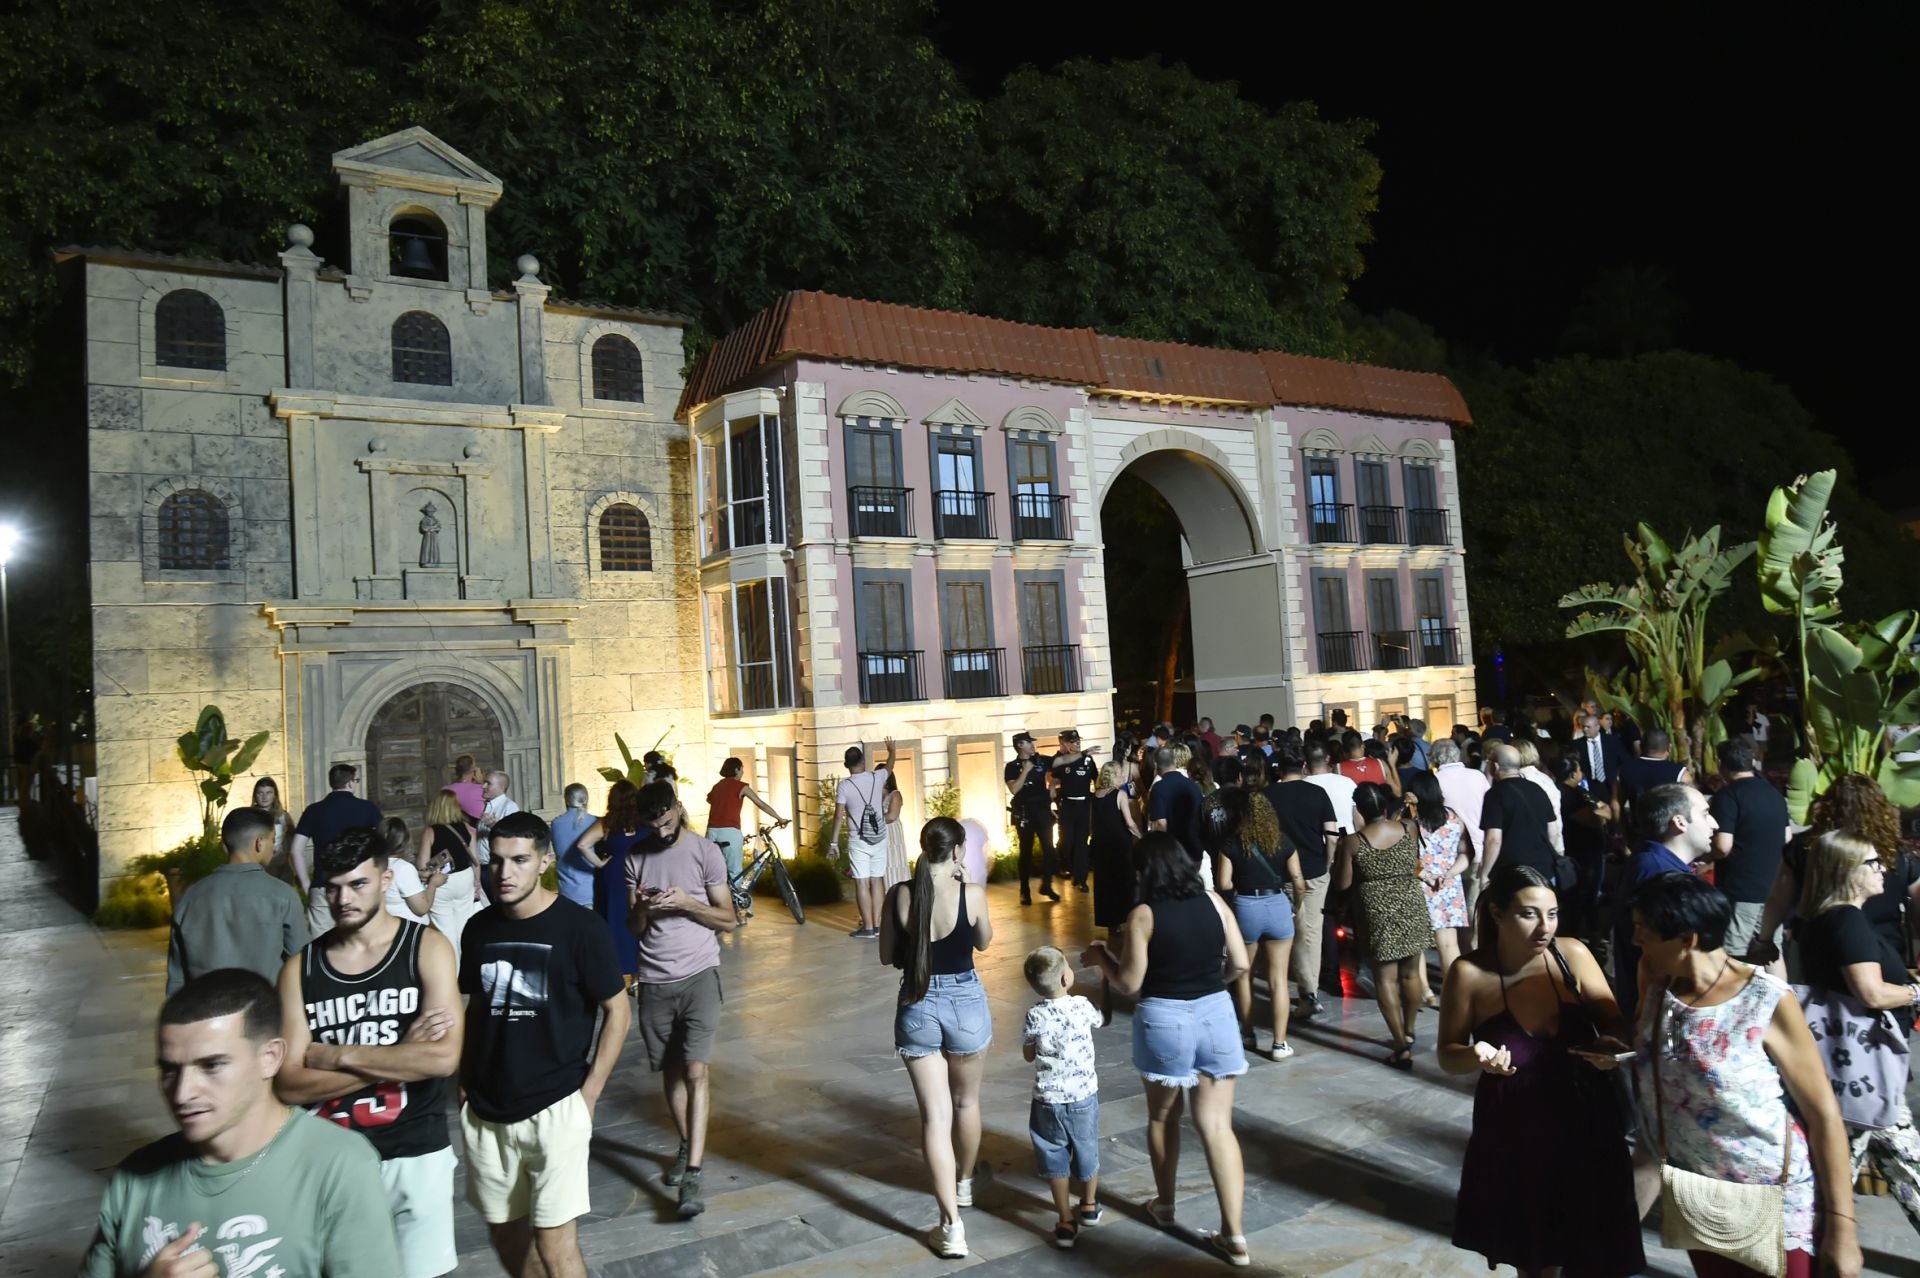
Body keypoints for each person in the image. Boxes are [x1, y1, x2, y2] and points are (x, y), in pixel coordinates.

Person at [82, 969, 402, 1277]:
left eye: (211, 1065)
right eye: (170, 1070)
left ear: (270, 1058)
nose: (182, 1093)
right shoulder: (133, 1179)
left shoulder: (339, 1167)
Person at [1631, 872, 1863, 1278]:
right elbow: (1667, 1051)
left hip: (1770, 1198)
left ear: (1687, 939)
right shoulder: (1657, 981)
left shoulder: (1765, 999)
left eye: (1644, 932)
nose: (1636, 941)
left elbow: (1824, 1114)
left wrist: (1843, 1229)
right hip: (1697, 1192)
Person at [275, 827, 463, 1278]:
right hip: (331, 1158)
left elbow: (442, 1058)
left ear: (386, 879)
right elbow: (288, 1084)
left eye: (358, 884)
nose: (344, 899)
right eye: (333, 887)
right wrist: (401, 1053)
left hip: (415, 1150)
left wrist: (337, 1055)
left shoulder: (426, 948)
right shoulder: (300, 969)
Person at [1439, 865, 1643, 1277]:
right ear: (1498, 913)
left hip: (1586, 1119)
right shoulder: (1469, 973)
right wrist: (1476, 1055)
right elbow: (1448, 1054)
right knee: (1534, 1255)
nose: (1545, 927)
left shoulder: (1572, 955)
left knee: (1594, 1245)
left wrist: (1610, 1046)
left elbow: (1614, 1023)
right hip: (1516, 1129)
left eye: (1552, 914)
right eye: (1529, 914)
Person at [459, 811, 630, 1278]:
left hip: (556, 1105)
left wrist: (589, 1093)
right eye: (496, 861)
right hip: (487, 1108)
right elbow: (475, 1007)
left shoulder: (580, 928)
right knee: (505, 1237)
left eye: (519, 860)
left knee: (556, 1245)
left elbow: (618, 1010)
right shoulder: (478, 928)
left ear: (544, 861)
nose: (505, 872)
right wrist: (464, 1081)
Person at [1081, 833, 1252, 1266]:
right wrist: (1212, 987)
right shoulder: (1214, 901)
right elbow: (1241, 963)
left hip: (1165, 1018)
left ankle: (1166, 1205)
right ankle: (1234, 1236)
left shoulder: (1143, 915)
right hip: (1215, 1013)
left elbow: (1129, 982)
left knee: (1163, 1117)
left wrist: (1100, 957)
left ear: (1144, 872)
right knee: (1218, 1127)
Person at [878, 816, 994, 1260]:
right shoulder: (972, 894)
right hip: (965, 1004)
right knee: (966, 1103)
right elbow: (984, 942)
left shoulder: (899, 894)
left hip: (917, 1004)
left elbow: (886, 955)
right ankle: (964, 1183)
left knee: (935, 1118)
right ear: (958, 850)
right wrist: (965, 882)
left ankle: (951, 1228)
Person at [1795, 830, 1920, 1230]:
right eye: (1873, 863)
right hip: (1863, 1068)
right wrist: (1915, 992)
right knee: (1891, 1166)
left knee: (1847, 1173)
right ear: (1848, 870)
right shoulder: (1847, 920)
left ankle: (1817, 1239)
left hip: (1845, 1068)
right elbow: (1871, 992)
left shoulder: (1820, 919)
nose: (1883, 869)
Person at [624, 781, 737, 1219]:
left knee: (695, 1070)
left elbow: (728, 920)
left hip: (699, 975)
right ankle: (688, 1143)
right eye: (653, 826)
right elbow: (634, 928)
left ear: (678, 807)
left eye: (667, 821)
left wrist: (689, 904)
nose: (662, 831)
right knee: (671, 1073)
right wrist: (643, 909)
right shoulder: (635, 857)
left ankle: (692, 1172)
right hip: (654, 980)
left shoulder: (706, 852)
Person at [1752, 773, 1917, 978]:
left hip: (1817, 949)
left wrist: (1764, 939)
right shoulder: (1895, 852)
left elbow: (1778, 899)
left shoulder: (1806, 847)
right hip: (1884, 950)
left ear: (1829, 807)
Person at [1334, 783, 1435, 1069]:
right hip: (1410, 902)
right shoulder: (1408, 828)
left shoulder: (1354, 842)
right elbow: (1414, 859)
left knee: (1385, 980)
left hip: (1377, 910)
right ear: (1384, 806)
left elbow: (1342, 884)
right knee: (1411, 974)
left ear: (1359, 810)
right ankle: (1410, 1030)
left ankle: (1400, 1046)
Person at [166, 807, 308, 996]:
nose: (274, 848)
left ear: (225, 846)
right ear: (259, 843)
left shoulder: (190, 897)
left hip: (206, 1008)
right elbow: (301, 963)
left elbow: (177, 978)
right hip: (264, 1008)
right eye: (273, 840)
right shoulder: (283, 895)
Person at [1209, 785, 1305, 1061]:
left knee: (1244, 975)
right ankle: (1279, 1044)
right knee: (1278, 980)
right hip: (1277, 906)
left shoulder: (1231, 844)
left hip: (1247, 907)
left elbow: (1224, 883)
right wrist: (1296, 906)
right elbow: (1298, 881)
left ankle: (1248, 1033)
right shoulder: (1283, 842)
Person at [1022, 945, 1104, 1249]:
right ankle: (1089, 1206)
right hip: (1082, 1096)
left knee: (1053, 1155)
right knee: (1087, 1146)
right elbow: (1100, 1020)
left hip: (1047, 1101)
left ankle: (1065, 1220)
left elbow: (1028, 1054)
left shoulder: (1034, 1014)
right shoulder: (1082, 1006)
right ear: (1066, 979)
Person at [1612, 783, 1714, 1016]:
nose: (1714, 824)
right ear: (1679, 822)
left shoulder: (1654, 863)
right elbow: (1665, 953)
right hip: (1662, 1009)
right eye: (1705, 814)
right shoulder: (1658, 872)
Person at [1266, 749, 1341, 1020]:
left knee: (1295, 931)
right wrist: (1328, 864)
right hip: (1316, 870)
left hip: (1282, 872)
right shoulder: (1318, 793)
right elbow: (1331, 835)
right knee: (1312, 931)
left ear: (1279, 769)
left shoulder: (1268, 795)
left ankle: (1308, 993)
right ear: (1304, 766)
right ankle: (1311, 991)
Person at [1708, 736, 1792, 959]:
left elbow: (1723, 846)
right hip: (1773, 889)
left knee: (1735, 955)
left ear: (1721, 764)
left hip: (1741, 889)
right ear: (1752, 762)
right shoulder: (1775, 794)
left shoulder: (1727, 796)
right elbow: (1787, 837)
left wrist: (1706, 856)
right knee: (1771, 952)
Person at [290, 762, 382, 936]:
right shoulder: (367, 808)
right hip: (357, 883)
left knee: (322, 944)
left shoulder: (314, 810)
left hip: (324, 884)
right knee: (359, 939)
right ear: (350, 782)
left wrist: (306, 884)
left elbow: (295, 850)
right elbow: (382, 843)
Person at [570, 779, 648, 986]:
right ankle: (640, 972)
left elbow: (583, 845)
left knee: (615, 920)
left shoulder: (607, 823)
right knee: (642, 918)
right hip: (641, 872)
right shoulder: (643, 820)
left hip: (614, 874)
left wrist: (600, 863)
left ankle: (618, 971)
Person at [1404, 769, 1469, 1007]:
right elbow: (1465, 855)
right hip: (1448, 888)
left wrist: (1426, 875)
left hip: (1419, 885)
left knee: (1418, 945)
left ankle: (1426, 992)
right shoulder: (1454, 817)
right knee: (1449, 944)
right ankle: (1456, 991)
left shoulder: (1409, 820)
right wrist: (1448, 874)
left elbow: (1404, 857)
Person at [834, 739, 897, 933]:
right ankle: (878, 925)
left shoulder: (844, 786)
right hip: (879, 837)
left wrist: (833, 842)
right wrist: (891, 750)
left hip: (858, 838)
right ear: (863, 761)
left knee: (862, 882)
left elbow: (838, 815)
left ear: (846, 765)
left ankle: (868, 927)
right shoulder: (877, 777)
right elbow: (890, 765)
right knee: (877, 880)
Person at [1476, 743, 1557, 891]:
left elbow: (1493, 839)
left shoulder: (1495, 794)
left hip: (1512, 873)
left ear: (1495, 766)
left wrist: (1485, 874)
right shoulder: (1537, 789)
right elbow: (1553, 830)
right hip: (1544, 869)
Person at [415, 789, 480, 962]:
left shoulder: (430, 832)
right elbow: (475, 860)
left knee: (446, 931)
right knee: (464, 927)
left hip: (442, 883)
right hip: (465, 879)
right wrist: (477, 883)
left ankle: (453, 970)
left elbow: (422, 865)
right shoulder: (468, 829)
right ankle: (468, 967)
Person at [703, 758, 788, 884]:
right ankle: (736, 896)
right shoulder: (741, 786)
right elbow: (761, 804)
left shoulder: (717, 786)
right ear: (736, 769)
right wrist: (779, 818)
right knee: (735, 872)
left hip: (711, 832)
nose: (742, 772)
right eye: (742, 769)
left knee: (713, 872)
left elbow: (709, 800)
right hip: (730, 832)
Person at [1005, 732, 1060, 906]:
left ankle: (1047, 885)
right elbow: (1014, 789)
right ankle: (1024, 890)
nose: (1032, 745)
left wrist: (1052, 784)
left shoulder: (1041, 760)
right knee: (1026, 852)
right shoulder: (1012, 766)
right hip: (1024, 813)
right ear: (1020, 745)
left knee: (1049, 849)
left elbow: (1060, 764)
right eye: (1029, 742)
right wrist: (1026, 770)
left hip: (1042, 811)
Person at [1089, 761, 1142, 934]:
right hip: (1119, 845)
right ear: (1112, 776)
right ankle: (1129, 916)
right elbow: (1129, 823)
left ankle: (1112, 922)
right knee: (1125, 880)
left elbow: (1092, 824)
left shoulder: (1095, 796)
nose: (1123, 776)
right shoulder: (1120, 794)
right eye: (1120, 773)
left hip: (1101, 845)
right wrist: (1142, 837)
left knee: (1106, 883)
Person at [1050, 729, 1099, 891]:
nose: (1077, 743)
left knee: (1082, 843)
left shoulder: (1088, 760)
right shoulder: (1062, 760)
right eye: (1073, 741)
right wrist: (1051, 796)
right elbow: (1054, 780)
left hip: (1084, 805)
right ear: (1065, 744)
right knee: (1067, 842)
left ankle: (1081, 879)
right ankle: (1069, 867)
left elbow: (1096, 779)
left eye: (1078, 740)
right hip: (1067, 806)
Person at [381, 815, 449, 927]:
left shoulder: (375, 865)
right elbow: (422, 908)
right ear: (405, 840)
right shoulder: (404, 868)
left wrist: (417, 875)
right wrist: (433, 884)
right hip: (409, 929)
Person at [1147, 744, 1206, 870]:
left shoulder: (1159, 788)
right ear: (1175, 761)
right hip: (1194, 848)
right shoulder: (1192, 785)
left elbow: (1161, 824)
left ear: (1156, 765)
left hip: (1173, 852)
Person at [551, 782, 600, 909]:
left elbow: (558, 852)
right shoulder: (595, 822)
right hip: (591, 888)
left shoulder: (556, 823)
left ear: (566, 800)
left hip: (566, 890)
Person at [1617, 727, 1688, 814]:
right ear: (1669, 748)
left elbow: (1616, 804)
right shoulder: (1681, 773)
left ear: (1641, 746)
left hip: (1638, 822)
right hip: (1669, 822)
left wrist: (1621, 822)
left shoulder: (1624, 770)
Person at [1571, 713, 1625, 810]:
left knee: (1617, 811)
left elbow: (1624, 760)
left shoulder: (1612, 740)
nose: (1585, 729)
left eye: (1588, 727)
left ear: (1597, 727)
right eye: (1583, 727)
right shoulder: (1577, 744)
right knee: (1596, 811)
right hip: (1590, 786)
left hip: (1612, 786)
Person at [249, 775, 296, 886]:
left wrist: (294, 867)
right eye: (260, 793)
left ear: (275, 795)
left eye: (269, 793)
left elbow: (293, 839)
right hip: (258, 867)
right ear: (255, 795)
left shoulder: (283, 816)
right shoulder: (249, 817)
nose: (264, 797)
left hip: (281, 866)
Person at [475, 769, 521, 869]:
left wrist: (493, 825)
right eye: (484, 782)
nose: (483, 786)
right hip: (481, 865)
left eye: (488, 783)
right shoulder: (486, 805)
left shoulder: (510, 807)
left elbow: (513, 835)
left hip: (495, 866)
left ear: (501, 787)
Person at [882, 767, 911, 892]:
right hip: (882, 834)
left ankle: (898, 893)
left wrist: (872, 821)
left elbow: (892, 816)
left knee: (894, 861)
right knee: (885, 864)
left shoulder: (895, 794)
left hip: (892, 834)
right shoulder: (878, 796)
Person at [446, 755, 486, 823]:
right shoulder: (482, 789)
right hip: (479, 826)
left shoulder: (446, 790)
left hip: (453, 826)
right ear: (474, 770)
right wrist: (481, 782)